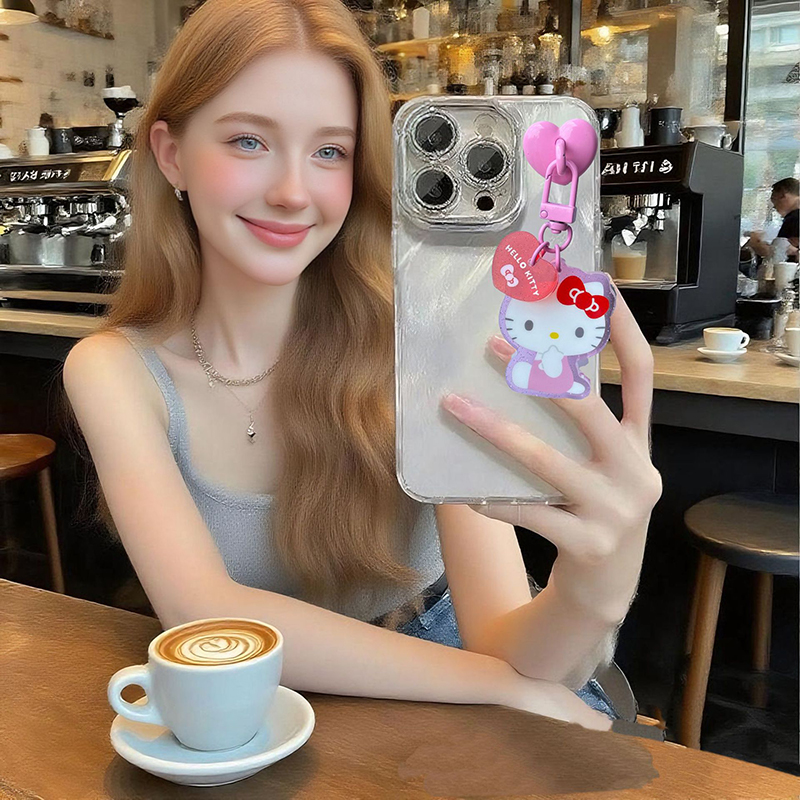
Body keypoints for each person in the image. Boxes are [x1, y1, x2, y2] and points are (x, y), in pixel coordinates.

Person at [63, 0, 661, 733]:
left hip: (442, 661)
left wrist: (599, 586)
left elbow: (516, 650)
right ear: (171, 154)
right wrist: (495, 686)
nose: (293, 192)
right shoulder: (114, 372)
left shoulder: (421, 343)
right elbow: (202, 611)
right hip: (257, 693)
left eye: (331, 152)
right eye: (248, 141)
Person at [746, 177, 799, 262]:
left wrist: (756, 244)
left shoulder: (794, 219)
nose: (774, 206)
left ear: (783, 195)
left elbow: (779, 255)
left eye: (774, 200)